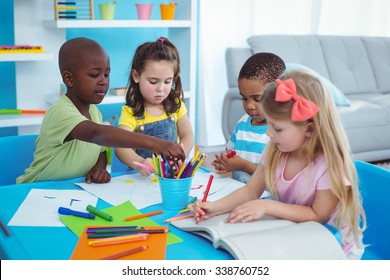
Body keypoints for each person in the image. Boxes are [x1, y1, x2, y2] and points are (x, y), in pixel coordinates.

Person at [189, 69, 366, 259]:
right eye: (269, 124)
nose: (268, 133)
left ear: (309, 128)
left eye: (277, 128)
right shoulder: (276, 150)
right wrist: (216, 206)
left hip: (332, 246)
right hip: (294, 234)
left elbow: (317, 215)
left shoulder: (329, 164)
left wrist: (267, 207)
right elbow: (250, 191)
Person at [17, 37, 185, 184]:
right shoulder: (61, 111)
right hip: (35, 189)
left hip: (73, 189)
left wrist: (99, 168)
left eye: (106, 75)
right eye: (94, 75)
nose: (103, 82)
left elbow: (100, 149)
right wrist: (156, 144)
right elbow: (97, 135)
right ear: (69, 79)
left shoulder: (94, 113)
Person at [115, 37, 194, 177]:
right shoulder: (131, 112)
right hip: (141, 178)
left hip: (169, 177)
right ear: (136, 76)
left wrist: (181, 154)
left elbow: (188, 135)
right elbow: (120, 147)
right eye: (153, 82)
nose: (161, 88)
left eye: (168, 81)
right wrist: (140, 163)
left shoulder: (176, 105)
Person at [212, 53, 285, 183]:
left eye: (257, 99)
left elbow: (275, 177)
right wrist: (225, 163)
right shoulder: (242, 123)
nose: (250, 106)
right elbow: (232, 153)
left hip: (266, 199)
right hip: (238, 193)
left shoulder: (280, 131)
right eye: (244, 98)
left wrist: (243, 165)